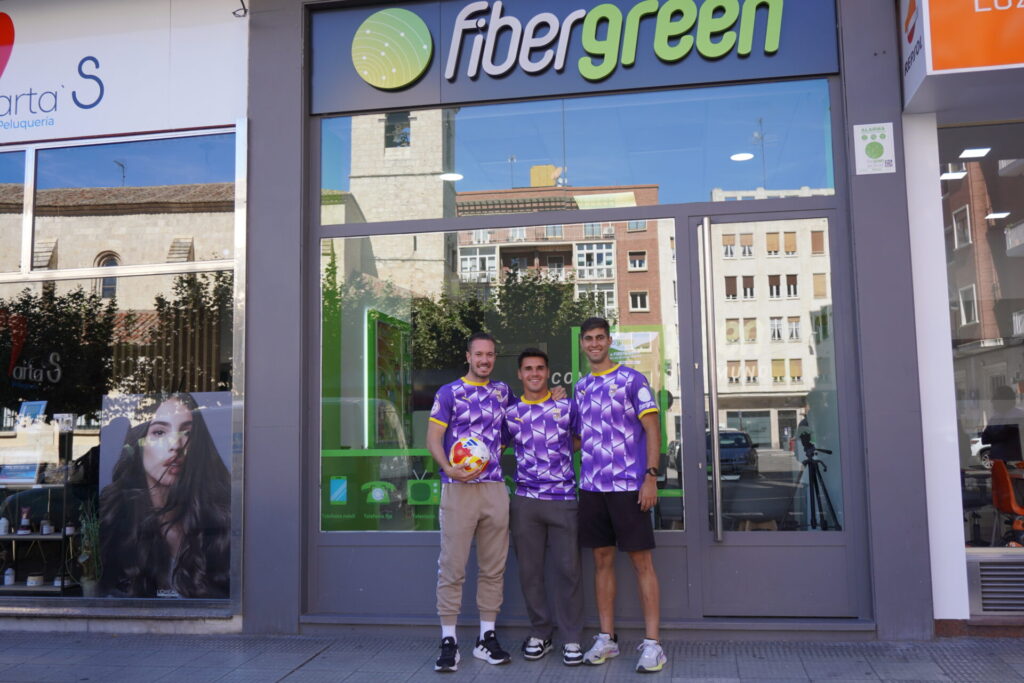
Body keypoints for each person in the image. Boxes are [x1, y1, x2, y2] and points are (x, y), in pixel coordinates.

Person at [573, 317, 666, 673]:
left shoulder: (632, 380)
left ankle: (654, 644)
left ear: (608, 341)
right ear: (582, 344)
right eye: (589, 339)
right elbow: (581, 438)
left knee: (642, 563)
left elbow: (652, 428)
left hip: (630, 486)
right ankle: (607, 639)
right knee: (601, 561)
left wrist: (651, 477)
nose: (595, 344)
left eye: (600, 338)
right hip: (593, 487)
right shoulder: (581, 388)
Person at [426, 332, 513, 672]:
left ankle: (485, 638)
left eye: (490, 354)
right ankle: (449, 640)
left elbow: (517, 426)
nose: (485, 360)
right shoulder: (449, 393)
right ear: (468, 356)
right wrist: (448, 468)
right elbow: (433, 437)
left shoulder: (503, 392)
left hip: (493, 488)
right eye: (479, 354)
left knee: (493, 567)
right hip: (458, 488)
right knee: (453, 566)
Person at [99, 393, 230, 598]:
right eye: (159, 432)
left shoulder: (219, 519)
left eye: (187, 433)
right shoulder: (117, 518)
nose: (175, 446)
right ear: (139, 443)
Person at [504, 348, 584, 666]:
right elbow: (497, 446)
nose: (534, 373)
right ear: (520, 375)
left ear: (547, 371)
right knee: (530, 572)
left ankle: (573, 638)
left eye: (539, 368)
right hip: (525, 501)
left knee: (569, 571)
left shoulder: (566, 406)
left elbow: (578, 439)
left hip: (563, 499)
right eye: (528, 369)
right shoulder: (510, 412)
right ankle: (541, 632)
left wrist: (556, 450)